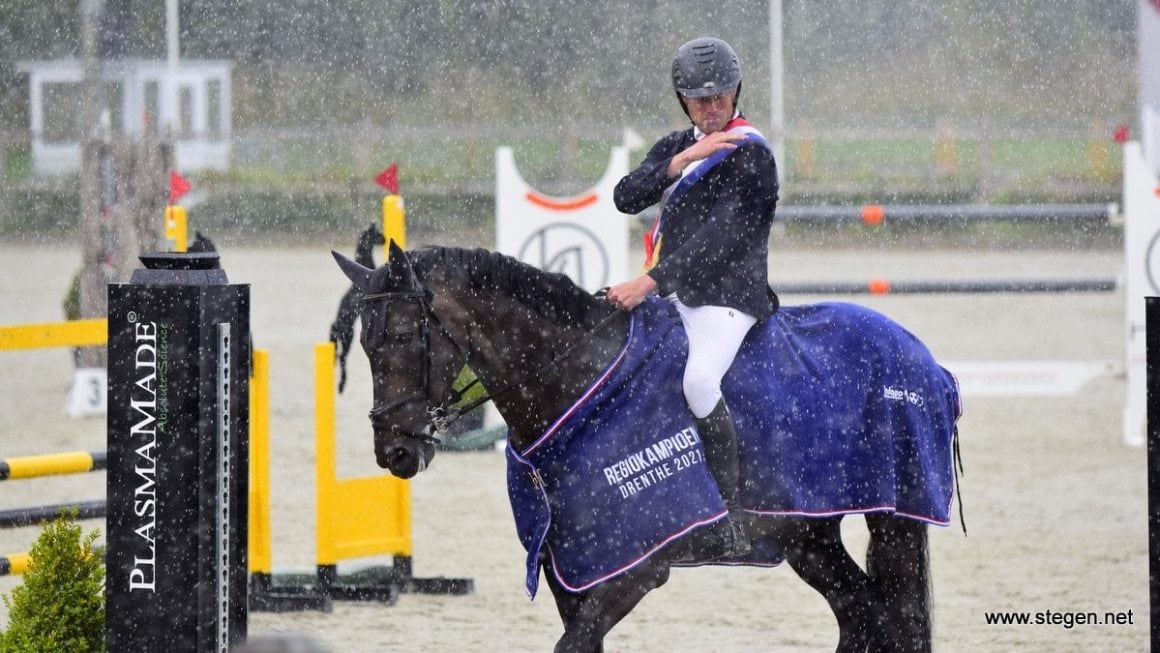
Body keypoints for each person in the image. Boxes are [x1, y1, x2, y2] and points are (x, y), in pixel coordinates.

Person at [607, 36, 779, 559]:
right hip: (678, 296)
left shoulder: (753, 156)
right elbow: (624, 197)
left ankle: (731, 520)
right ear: (683, 100)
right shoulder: (677, 146)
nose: (711, 108)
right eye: (700, 100)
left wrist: (648, 283)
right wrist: (682, 159)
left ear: (736, 93)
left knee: (699, 381)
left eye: (720, 97)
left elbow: (719, 240)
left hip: (728, 297)